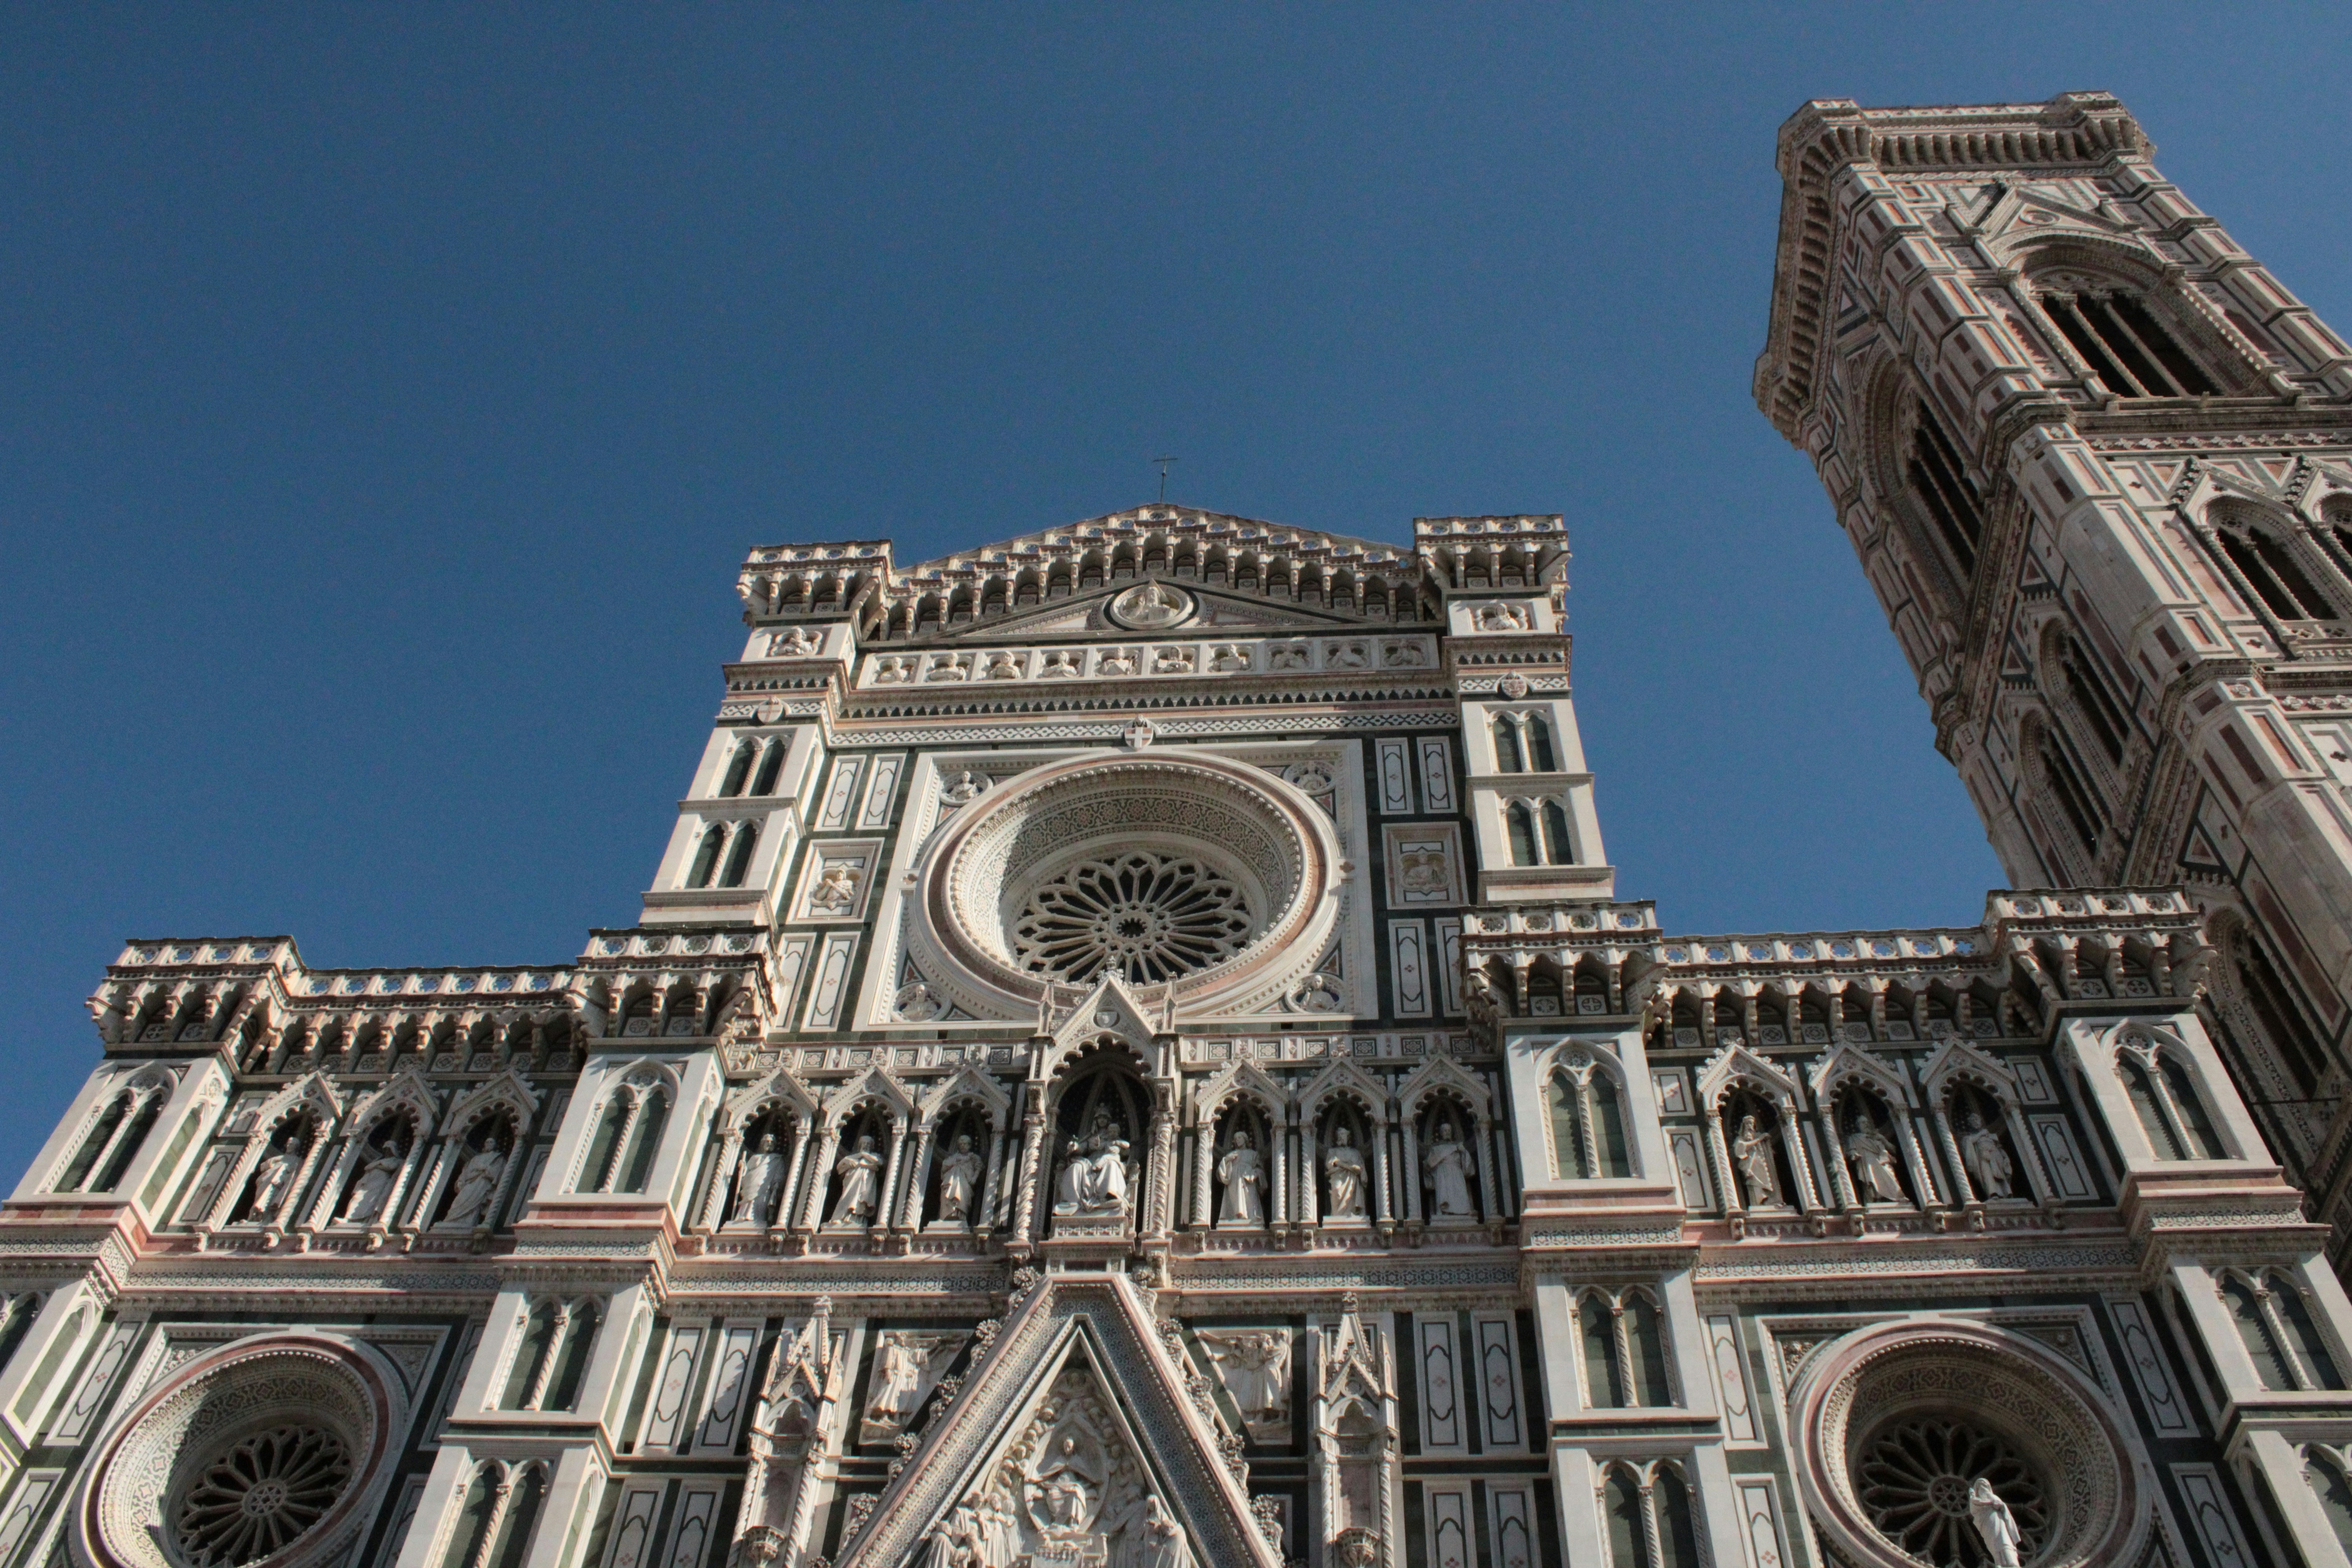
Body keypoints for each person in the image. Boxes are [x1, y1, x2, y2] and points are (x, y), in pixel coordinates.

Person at [442, 1142, 508, 1229]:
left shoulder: (497, 1158)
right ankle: (451, 1220)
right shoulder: (475, 1159)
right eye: (487, 1142)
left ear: (495, 1145)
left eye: (492, 1142)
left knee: (475, 1204)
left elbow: (496, 1174)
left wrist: (485, 1169)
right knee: (459, 1201)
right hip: (470, 1184)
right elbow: (465, 1172)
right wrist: (461, 1181)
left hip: (483, 1184)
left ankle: (468, 1223)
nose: (489, 1144)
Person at [1843, 1116, 1905, 1204]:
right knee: (1872, 1180)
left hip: (1883, 1161)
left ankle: (1897, 1198)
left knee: (1890, 1176)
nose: (1866, 1125)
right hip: (1867, 1160)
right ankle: (1877, 1200)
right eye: (1863, 1123)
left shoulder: (1877, 1137)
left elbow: (1893, 1150)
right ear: (1858, 1125)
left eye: (1867, 1123)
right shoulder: (1854, 1138)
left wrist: (1883, 1139)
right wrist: (1854, 1154)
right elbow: (1851, 1150)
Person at [731, 1129, 786, 1226]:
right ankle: (742, 1219)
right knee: (746, 1204)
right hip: (751, 1186)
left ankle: (757, 1221)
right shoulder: (754, 1158)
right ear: (763, 1144)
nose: (770, 1144)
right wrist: (743, 1168)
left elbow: (779, 1174)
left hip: (764, 1188)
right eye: (767, 1142)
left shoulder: (777, 1159)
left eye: (772, 1142)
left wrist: (777, 1184)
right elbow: (746, 1174)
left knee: (760, 1205)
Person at [1424, 1122, 1477, 1219]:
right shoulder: (1437, 1148)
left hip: (1457, 1173)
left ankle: (1463, 1212)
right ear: (1441, 1133)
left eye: (1449, 1130)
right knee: (1445, 1194)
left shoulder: (1458, 1147)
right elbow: (1429, 1164)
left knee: (1460, 1193)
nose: (1447, 1132)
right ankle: (1444, 1212)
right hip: (1442, 1173)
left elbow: (1467, 1164)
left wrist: (1464, 1151)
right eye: (1445, 1130)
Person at [341, 1144, 403, 1225]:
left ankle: (366, 1220)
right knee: (358, 1197)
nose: (387, 1152)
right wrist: (379, 1164)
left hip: (381, 1182)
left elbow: (391, 1167)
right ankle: (348, 1218)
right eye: (385, 1149)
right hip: (369, 1181)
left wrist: (377, 1166)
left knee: (372, 1201)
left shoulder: (395, 1160)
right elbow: (367, 1167)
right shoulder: (378, 1160)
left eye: (389, 1149)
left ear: (393, 1150)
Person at [1967, 1477, 2022, 1568]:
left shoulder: (1993, 1497)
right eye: (1980, 1486)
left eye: (1984, 1486)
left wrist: (2000, 1506)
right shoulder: (1976, 1501)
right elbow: (1974, 1509)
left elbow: (2000, 1505)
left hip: (1998, 1521)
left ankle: (2012, 1563)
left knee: (2004, 1541)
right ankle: (2000, 1564)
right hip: (1987, 1525)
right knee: (1994, 1544)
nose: (1983, 1488)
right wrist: (1973, 1497)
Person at [1961, 1111, 2016, 1200]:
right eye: (1973, 1121)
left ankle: (2007, 1193)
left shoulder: (1991, 1136)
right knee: (1987, 1174)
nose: (1975, 1122)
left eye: (1977, 1120)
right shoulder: (1969, 1138)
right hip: (1983, 1157)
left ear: (1981, 1121)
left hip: (1996, 1155)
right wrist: (1981, 1134)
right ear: (1970, 1125)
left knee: (2001, 1175)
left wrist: (2005, 1157)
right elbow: (1969, 1143)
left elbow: (1999, 1147)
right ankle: (1993, 1194)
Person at [830, 1134, 883, 1225]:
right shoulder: (854, 1157)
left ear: (872, 1147)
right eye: (864, 1143)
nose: (866, 1145)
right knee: (847, 1198)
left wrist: (864, 1156)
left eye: (868, 1144)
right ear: (860, 1145)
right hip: (851, 1184)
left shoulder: (874, 1156)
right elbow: (840, 1167)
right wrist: (859, 1157)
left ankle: (857, 1221)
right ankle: (841, 1217)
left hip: (866, 1184)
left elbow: (879, 1163)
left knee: (860, 1202)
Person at [1731, 1114, 1781, 1207]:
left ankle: (1770, 1200)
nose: (1750, 1126)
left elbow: (1767, 1150)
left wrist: (1765, 1143)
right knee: (1754, 1183)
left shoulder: (1758, 1136)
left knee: (1766, 1181)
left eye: (1752, 1124)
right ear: (1744, 1126)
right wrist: (1759, 1140)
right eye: (1748, 1124)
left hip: (1761, 1163)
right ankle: (1758, 1204)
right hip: (1750, 1164)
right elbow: (1741, 1148)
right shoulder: (1741, 1139)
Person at [1218, 1129, 1264, 1226]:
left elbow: (1260, 1170)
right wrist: (1227, 1160)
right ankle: (1235, 1218)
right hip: (1234, 1181)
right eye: (1236, 1139)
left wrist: (1254, 1174)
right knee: (1236, 1201)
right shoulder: (1231, 1155)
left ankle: (1251, 1218)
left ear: (1245, 1139)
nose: (1238, 1140)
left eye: (1240, 1138)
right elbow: (1220, 1173)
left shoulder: (1253, 1154)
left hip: (1248, 1180)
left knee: (1250, 1199)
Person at [937, 1134, 984, 1224]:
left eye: (965, 1144)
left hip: (965, 1181)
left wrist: (974, 1178)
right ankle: (946, 1215)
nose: (963, 1146)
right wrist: (954, 1163)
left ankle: (960, 1216)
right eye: (961, 1144)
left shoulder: (973, 1157)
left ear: (970, 1145)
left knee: (962, 1195)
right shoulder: (954, 1158)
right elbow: (944, 1168)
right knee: (948, 1193)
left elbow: (979, 1167)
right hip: (951, 1179)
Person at [1323, 1125, 1367, 1219]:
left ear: (1348, 1137)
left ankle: (1352, 1213)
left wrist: (1341, 1164)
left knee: (1351, 1196)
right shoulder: (1333, 1151)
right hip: (1338, 1177)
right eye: (1339, 1135)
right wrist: (1347, 1166)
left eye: (1343, 1135)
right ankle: (1337, 1215)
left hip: (1352, 1180)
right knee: (1337, 1190)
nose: (1341, 1137)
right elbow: (1329, 1165)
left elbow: (1360, 1168)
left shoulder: (1355, 1153)